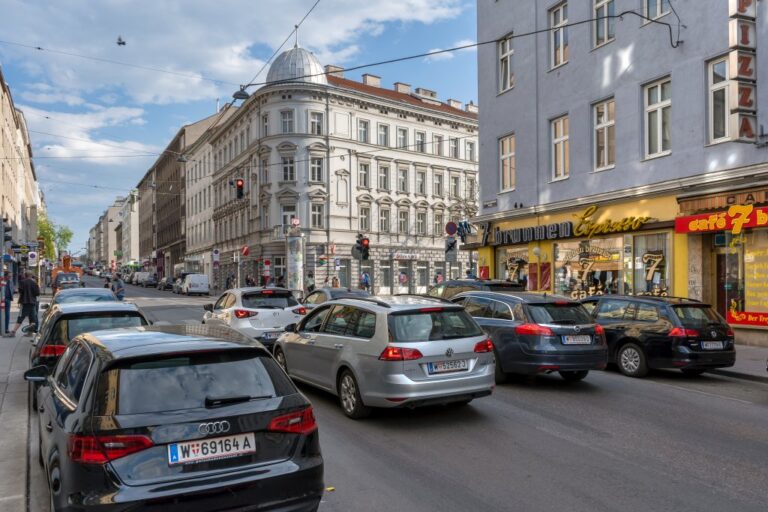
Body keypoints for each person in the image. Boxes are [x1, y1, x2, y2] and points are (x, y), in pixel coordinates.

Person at [9, 271, 40, 336]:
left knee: (21, 316)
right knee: (32, 318)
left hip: (25, 302)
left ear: (25, 275)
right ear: (31, 275)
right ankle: (30, 333)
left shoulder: (22, 282)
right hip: (33, 302)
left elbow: (20, 291)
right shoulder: (34, 282)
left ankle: (13, 332)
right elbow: (37, 293)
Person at [3, 270, 14, 336]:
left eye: (11, 276)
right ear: (5, 276)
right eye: (9, 276)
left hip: (8, 299)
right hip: (2, 300)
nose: (10, 277)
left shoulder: (10, 281)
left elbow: (11, 289)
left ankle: (6, 328)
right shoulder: (2, 281)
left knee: (7, 315)